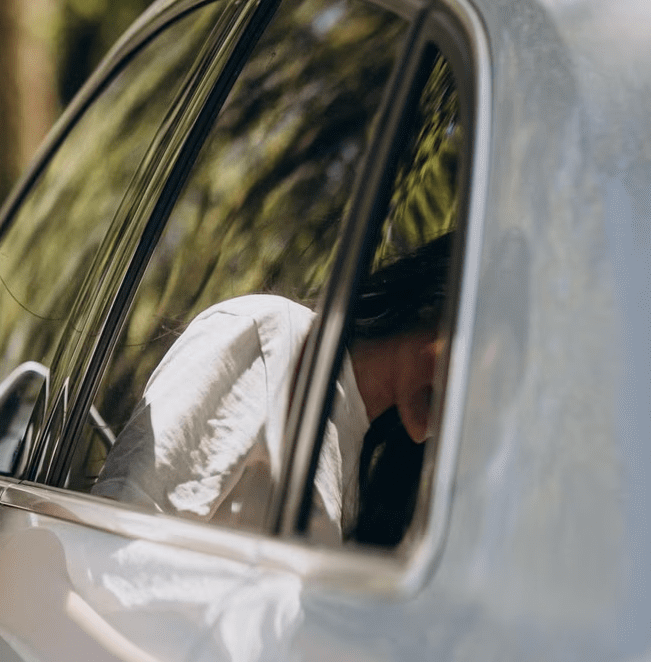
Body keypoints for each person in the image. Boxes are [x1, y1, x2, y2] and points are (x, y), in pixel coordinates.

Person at [92, 233, 451, 544]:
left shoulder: (359, 459)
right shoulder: (272, 341)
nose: (471, 404)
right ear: (438, 305)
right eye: (482, 370)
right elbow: (114, 541)